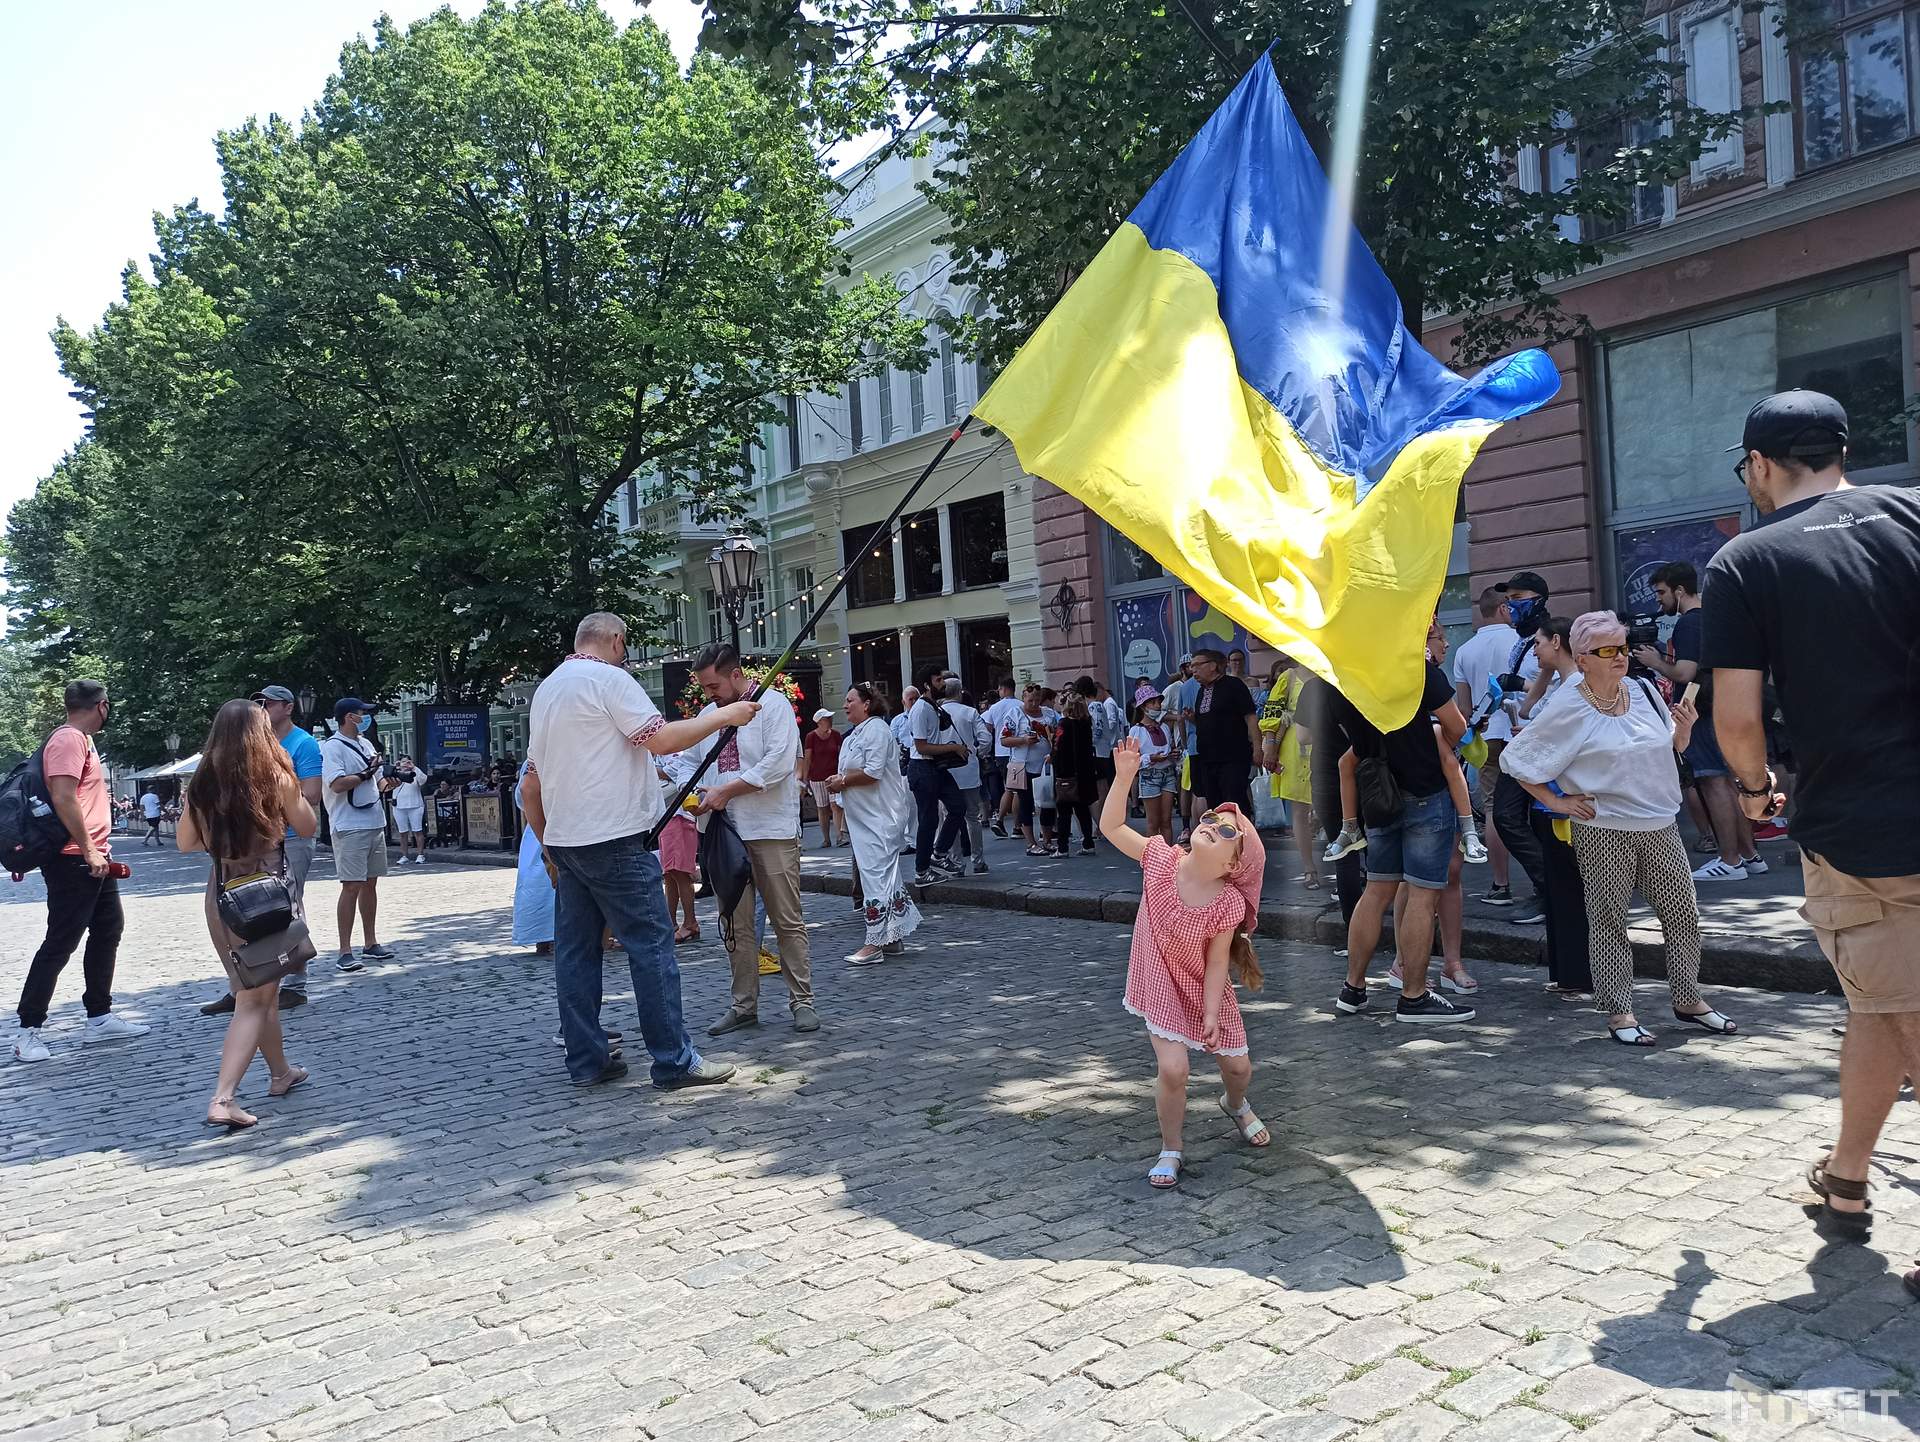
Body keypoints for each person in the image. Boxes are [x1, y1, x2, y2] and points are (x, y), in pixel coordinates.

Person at [1706, 392, 1920, 1281]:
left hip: (1867, 828)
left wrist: (1756, 794)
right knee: (1880, 1005)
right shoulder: (1912, 511)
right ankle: (1845, 1181)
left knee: (1906, 1009)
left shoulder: (1745, 561)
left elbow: (1739, 721)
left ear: (1757, 464)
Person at [519, 613, 748, 1088]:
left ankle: (587, 1060)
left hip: (567, 840)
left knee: (577, 953)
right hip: (616, 837)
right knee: (651, 946)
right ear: (616, 641)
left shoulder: (548, 689)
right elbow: (660, 738)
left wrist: (547, 844)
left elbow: (531, 784)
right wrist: (724, 715)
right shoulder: (609, 680)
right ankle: (674, 1060)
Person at [1500, 611, 1735, 1047]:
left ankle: (1688, 998)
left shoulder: (1644, 690)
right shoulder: (1568, 704)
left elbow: (1667, 750)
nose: (1620, 657)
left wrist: (1682, 734)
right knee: (1608, 921)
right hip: (1603, 827)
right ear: (1584, 657)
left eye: (1623, 648)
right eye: (1607, 650)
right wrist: (1556, 801)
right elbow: (1517, 759)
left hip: (1660, 822)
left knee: (1683, 915)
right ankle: (1619, 1011)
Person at [1101, 739, 1268, 1189]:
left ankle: (1235, 1104)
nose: (1214, 823)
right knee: (1174, 1070)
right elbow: (1113, 826)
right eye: (1213, 818)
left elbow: (1218, 964)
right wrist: (1123, 777)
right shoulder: (1160, 860)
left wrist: (1212, 1013)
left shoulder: (1228, 902)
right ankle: (1171, 1147)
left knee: (1239, 1069)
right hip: (1160, 981)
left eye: (1229, 831)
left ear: (1236, 864)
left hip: (1202, 988)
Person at [177, 700, 319, 1129]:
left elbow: (186, 843)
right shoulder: (275, 775)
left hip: (222, 893)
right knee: (253, 1000)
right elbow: (308, 826)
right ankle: (223, 1099)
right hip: (266, 891)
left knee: (258, 986)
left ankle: (281, 1073)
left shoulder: (201, 785)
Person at [1326, 659, 1478, 1024]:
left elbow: (1352, 743)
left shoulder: (1342, 670)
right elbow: (1457, 726)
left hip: (1378, 793)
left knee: (1376, 890)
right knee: (1423, 896)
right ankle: (1413, 996)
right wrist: (1432, 741)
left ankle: (1353, 987)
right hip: (1424, 790)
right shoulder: (1413, 665)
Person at [11, 680, 150, 1063]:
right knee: (61, 941)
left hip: (92, 856)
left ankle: (99, 1017)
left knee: (108, 930)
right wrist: (88, 848)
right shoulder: (70, 740)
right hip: (75, 857)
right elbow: (63, 795)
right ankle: (28, 1030)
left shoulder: (78, 739)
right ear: (102, 706)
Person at [684, 644, 817, 1037]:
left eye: (712, 685)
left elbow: (777, 763)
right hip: (725, 835)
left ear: (734, 673)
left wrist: (726, 791)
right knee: (735, 924)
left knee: (786, 920)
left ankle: (802, 1001)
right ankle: (743, 1006)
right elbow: (688, 762)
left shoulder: (772, 706)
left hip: (770, 830)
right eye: (704, 687)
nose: (708, 693)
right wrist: (688, 791)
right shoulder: (709, 716)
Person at [200, 685, 327, 1016]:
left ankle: (292, 982)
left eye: (267, 703)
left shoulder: (302, 743)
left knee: (281, 906)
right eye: (257, 702)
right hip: (251, 841)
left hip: (287, 839)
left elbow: (312, 794)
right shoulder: (250, 746)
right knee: (235, 909)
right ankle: (247, 979)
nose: (261, 707)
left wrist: (262, 789)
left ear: (287, 707)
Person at [1632, 561, 1762, 883]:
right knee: (1729, 786)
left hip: (1698, 712)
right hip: (1722, 706)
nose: (1659, 601)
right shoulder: (1714, 617)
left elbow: (1685, 673)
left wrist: (1654, 661)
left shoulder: (1689, 624)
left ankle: (1730, 862)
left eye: (1662, 593)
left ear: (1679, 590)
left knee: (1713, 783)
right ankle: (1750, 856)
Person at [1516, 618, 1593, 997]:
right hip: (1552, 802)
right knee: (1561, 891)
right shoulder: (1560, 686)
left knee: (1573, 891)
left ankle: (1580, 975)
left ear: (1558, 641)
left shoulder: (1577, 687)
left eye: (1540, 644)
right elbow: (1528, 717)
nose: (1534, 652)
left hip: (1566, 802)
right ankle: (1568, 974)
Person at [828, 683, 922, 963]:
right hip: (863, 817)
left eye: (850, 700)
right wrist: (839, 781)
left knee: (876, 878)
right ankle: (893, 938)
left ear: (866, 703)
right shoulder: (853, 735)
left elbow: (873, 771)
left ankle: (875, 942)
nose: (845, 705)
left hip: (880, 817)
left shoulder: (878, 730)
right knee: (884, 877)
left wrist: (841, 781)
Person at [1451, 587, 1532, 898]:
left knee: (1493, 809)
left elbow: (1464, 709)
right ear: (1502, 608)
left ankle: (1501, 884)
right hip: (1522, 732)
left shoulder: (1465, 651)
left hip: (1488, 738)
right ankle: (1544, 880)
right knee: (1534, 807)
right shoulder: (1520, 642)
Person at [1483, 572, 1554, 925]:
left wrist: (1521, 685)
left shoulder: (1552, 637)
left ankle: (1552, 890)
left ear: (1539, 598)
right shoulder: (1520, 642)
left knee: (1512, 817)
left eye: (1518, 596)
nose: (1510, 604)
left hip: (1542, 745)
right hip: (1520, 739)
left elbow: (1566, 688)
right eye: (1507, 598)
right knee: (1515, 817)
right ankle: (1550, 889)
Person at [320, 699, 396, 973]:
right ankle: (344, 950)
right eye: (363, 714)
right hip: (349, 825)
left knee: (370, 885)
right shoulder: (332, 747)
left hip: (374, 822)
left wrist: (394, 780)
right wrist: (366, 773)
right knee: (351, 886)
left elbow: (380, 784)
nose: (366, 718)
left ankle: (370, 942)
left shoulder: (366, 744)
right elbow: (337, 784)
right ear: (349, 717)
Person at [1259, 656, 1321, 889]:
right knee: (1299, 811)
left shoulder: (1329, 672)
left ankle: (1342, 866)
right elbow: (1272, 715)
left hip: (1324, 742)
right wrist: (1270, 750)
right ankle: (1309, 868)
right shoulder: (1288, 677)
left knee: (1327, 809)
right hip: (1295, 747)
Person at [905, 676, 970, 884]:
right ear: (927, 684)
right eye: (939, 680)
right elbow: (922, 746)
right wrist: (953, 747)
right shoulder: (921, 709)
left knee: (958, 806)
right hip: (923, 767)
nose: (943, 684)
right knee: (928, 820)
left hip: (935, 766)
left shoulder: (933, 706)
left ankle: (939, 854)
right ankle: (921, 871)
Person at [1185, 649, 1260, 818]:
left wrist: (1258, 748)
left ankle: (1244, 842)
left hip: (1233, 758)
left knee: (1235, 803)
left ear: (1213, 665)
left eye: (1197, 665)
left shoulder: (1234, 685)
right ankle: (1222, 843)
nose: (1193, 670)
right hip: (1207, 759)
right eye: (1191, 666)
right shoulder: (1201, 691)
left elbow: (1250, 716)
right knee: (1214, 807)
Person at [937, 678, 989, 874]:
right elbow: (985, 738)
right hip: (968, 770)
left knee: (950, 817)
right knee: (972, 818)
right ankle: (978, 860)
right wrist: (978, 753)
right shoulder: (970, 712)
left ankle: (956, 861)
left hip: (945, 772)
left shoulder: (937, 713)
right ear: (959, 692)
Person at [512, 759, 555, 955]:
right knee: (542, 883)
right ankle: (544, 936)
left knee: (540, 883)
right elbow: (523, 796)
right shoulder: (533, 761)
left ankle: (546, 936)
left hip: (547, 824)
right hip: (546, 825)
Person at [1050, 690, 1099, 855]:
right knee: (1082, 810)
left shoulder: (1063, 724)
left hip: (1066, 773)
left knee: (1063, 812)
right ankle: (1088, 842)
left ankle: (1062, 847)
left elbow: (1058, 748)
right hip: (1084, 773)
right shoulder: (1086, 723)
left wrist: (1053, 759)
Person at [1129, 687, 1180, 845]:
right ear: (1143, 707)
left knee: (1166, 821)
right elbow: (1131, 760)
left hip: (1167, 773)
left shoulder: (1164, 727)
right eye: (1153, 702)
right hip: (1149, 776)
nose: (1158, 705)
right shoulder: (1135, 731)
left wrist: (1173, 755)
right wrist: (1150, 758)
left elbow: (1169, 750)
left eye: (1158, 701)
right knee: (1153, 823)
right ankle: (1153, 860)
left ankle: (1169, 859)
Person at [983, 677, 1023, 837]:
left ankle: (1001, 820)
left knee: (1009, 787)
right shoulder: (1021, 705)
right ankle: (1016, 825)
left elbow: (987, 728)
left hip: (1001, 752)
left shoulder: (994, 708)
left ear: (1003, 689)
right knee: (1017, 790)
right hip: (1017, 750)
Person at [802, 709, 847, 848]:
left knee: (836, 806)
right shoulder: (811, 737)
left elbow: (841, 755)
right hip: (817, 777)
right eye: (827, 718)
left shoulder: (836, 735)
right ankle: (826, 839)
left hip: (833, 776)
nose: (830, 720)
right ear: (820, 721)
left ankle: (840, 836)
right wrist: (805, 779)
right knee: (822, 808)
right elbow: (808, 759)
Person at [389, 755, 428, 865]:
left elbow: (423, 780)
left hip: (415, 805)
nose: (405, 764)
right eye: (403, 762)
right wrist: (395, 768)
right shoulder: (396, 773)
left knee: (417, 830)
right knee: (403, 832)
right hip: (399, 806)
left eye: (407, 762)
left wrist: (413, 767)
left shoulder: (414, 772)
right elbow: (387, 782)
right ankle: (404, 855)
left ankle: (420, 854)